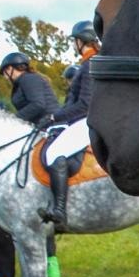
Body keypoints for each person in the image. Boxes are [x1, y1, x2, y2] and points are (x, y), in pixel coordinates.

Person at [41, 20, 100, 228]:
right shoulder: (87, 63)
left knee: (55, 153)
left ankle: (59, 211)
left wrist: (54, 117)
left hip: (88, 120)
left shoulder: (91, 63)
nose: (73, 45)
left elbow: (85, 104)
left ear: (81, 41)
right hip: (81, 120)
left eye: (74, 41)